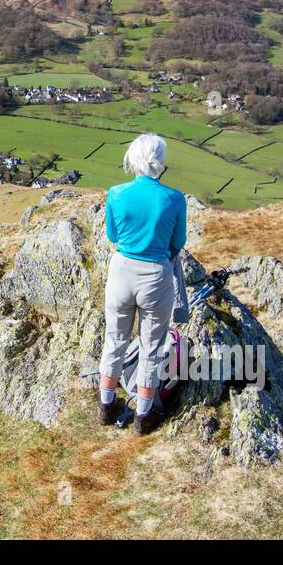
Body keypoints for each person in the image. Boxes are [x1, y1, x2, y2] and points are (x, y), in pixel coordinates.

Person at [98, 133, 187, 434]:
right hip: (156, 275)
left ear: (132, 159)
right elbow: (178, 243)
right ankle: (143, 417)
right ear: (160, 161)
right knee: (152, 348)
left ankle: (106, 406)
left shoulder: (116, 193)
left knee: (114, 341)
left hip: (122, 271)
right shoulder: (175, 199)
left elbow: (112, 235)